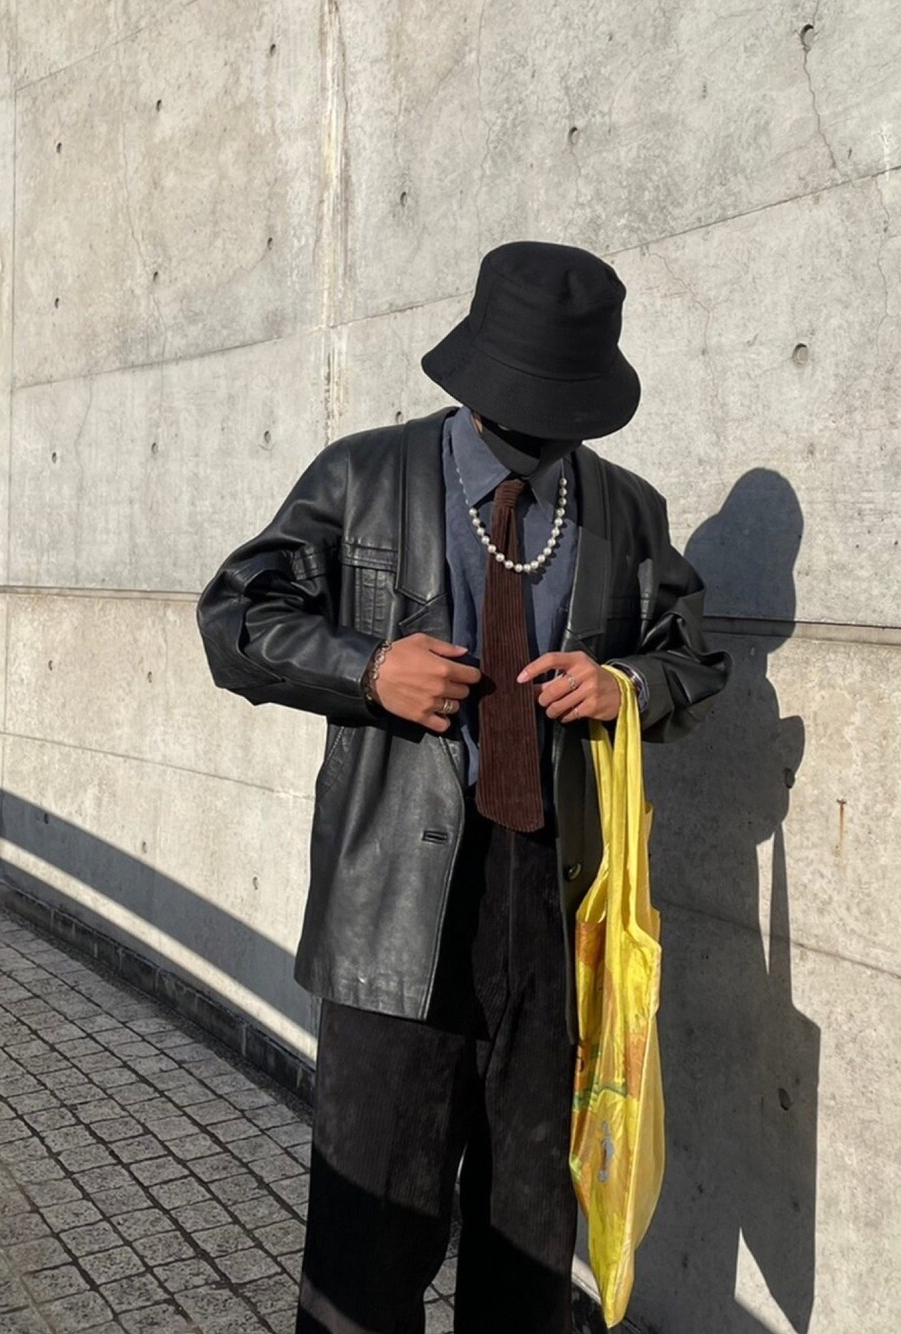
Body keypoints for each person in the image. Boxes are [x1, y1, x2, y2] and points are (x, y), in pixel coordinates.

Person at [195, 240, 732, 1334]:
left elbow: (690, 655)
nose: (537, 427)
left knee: (530, 1237)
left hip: (556, 906)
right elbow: (235, 618)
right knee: (369, 1236)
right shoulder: (363, 475)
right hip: (393, 902)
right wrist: (367, 669)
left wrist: (624, 684)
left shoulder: (623, 509)